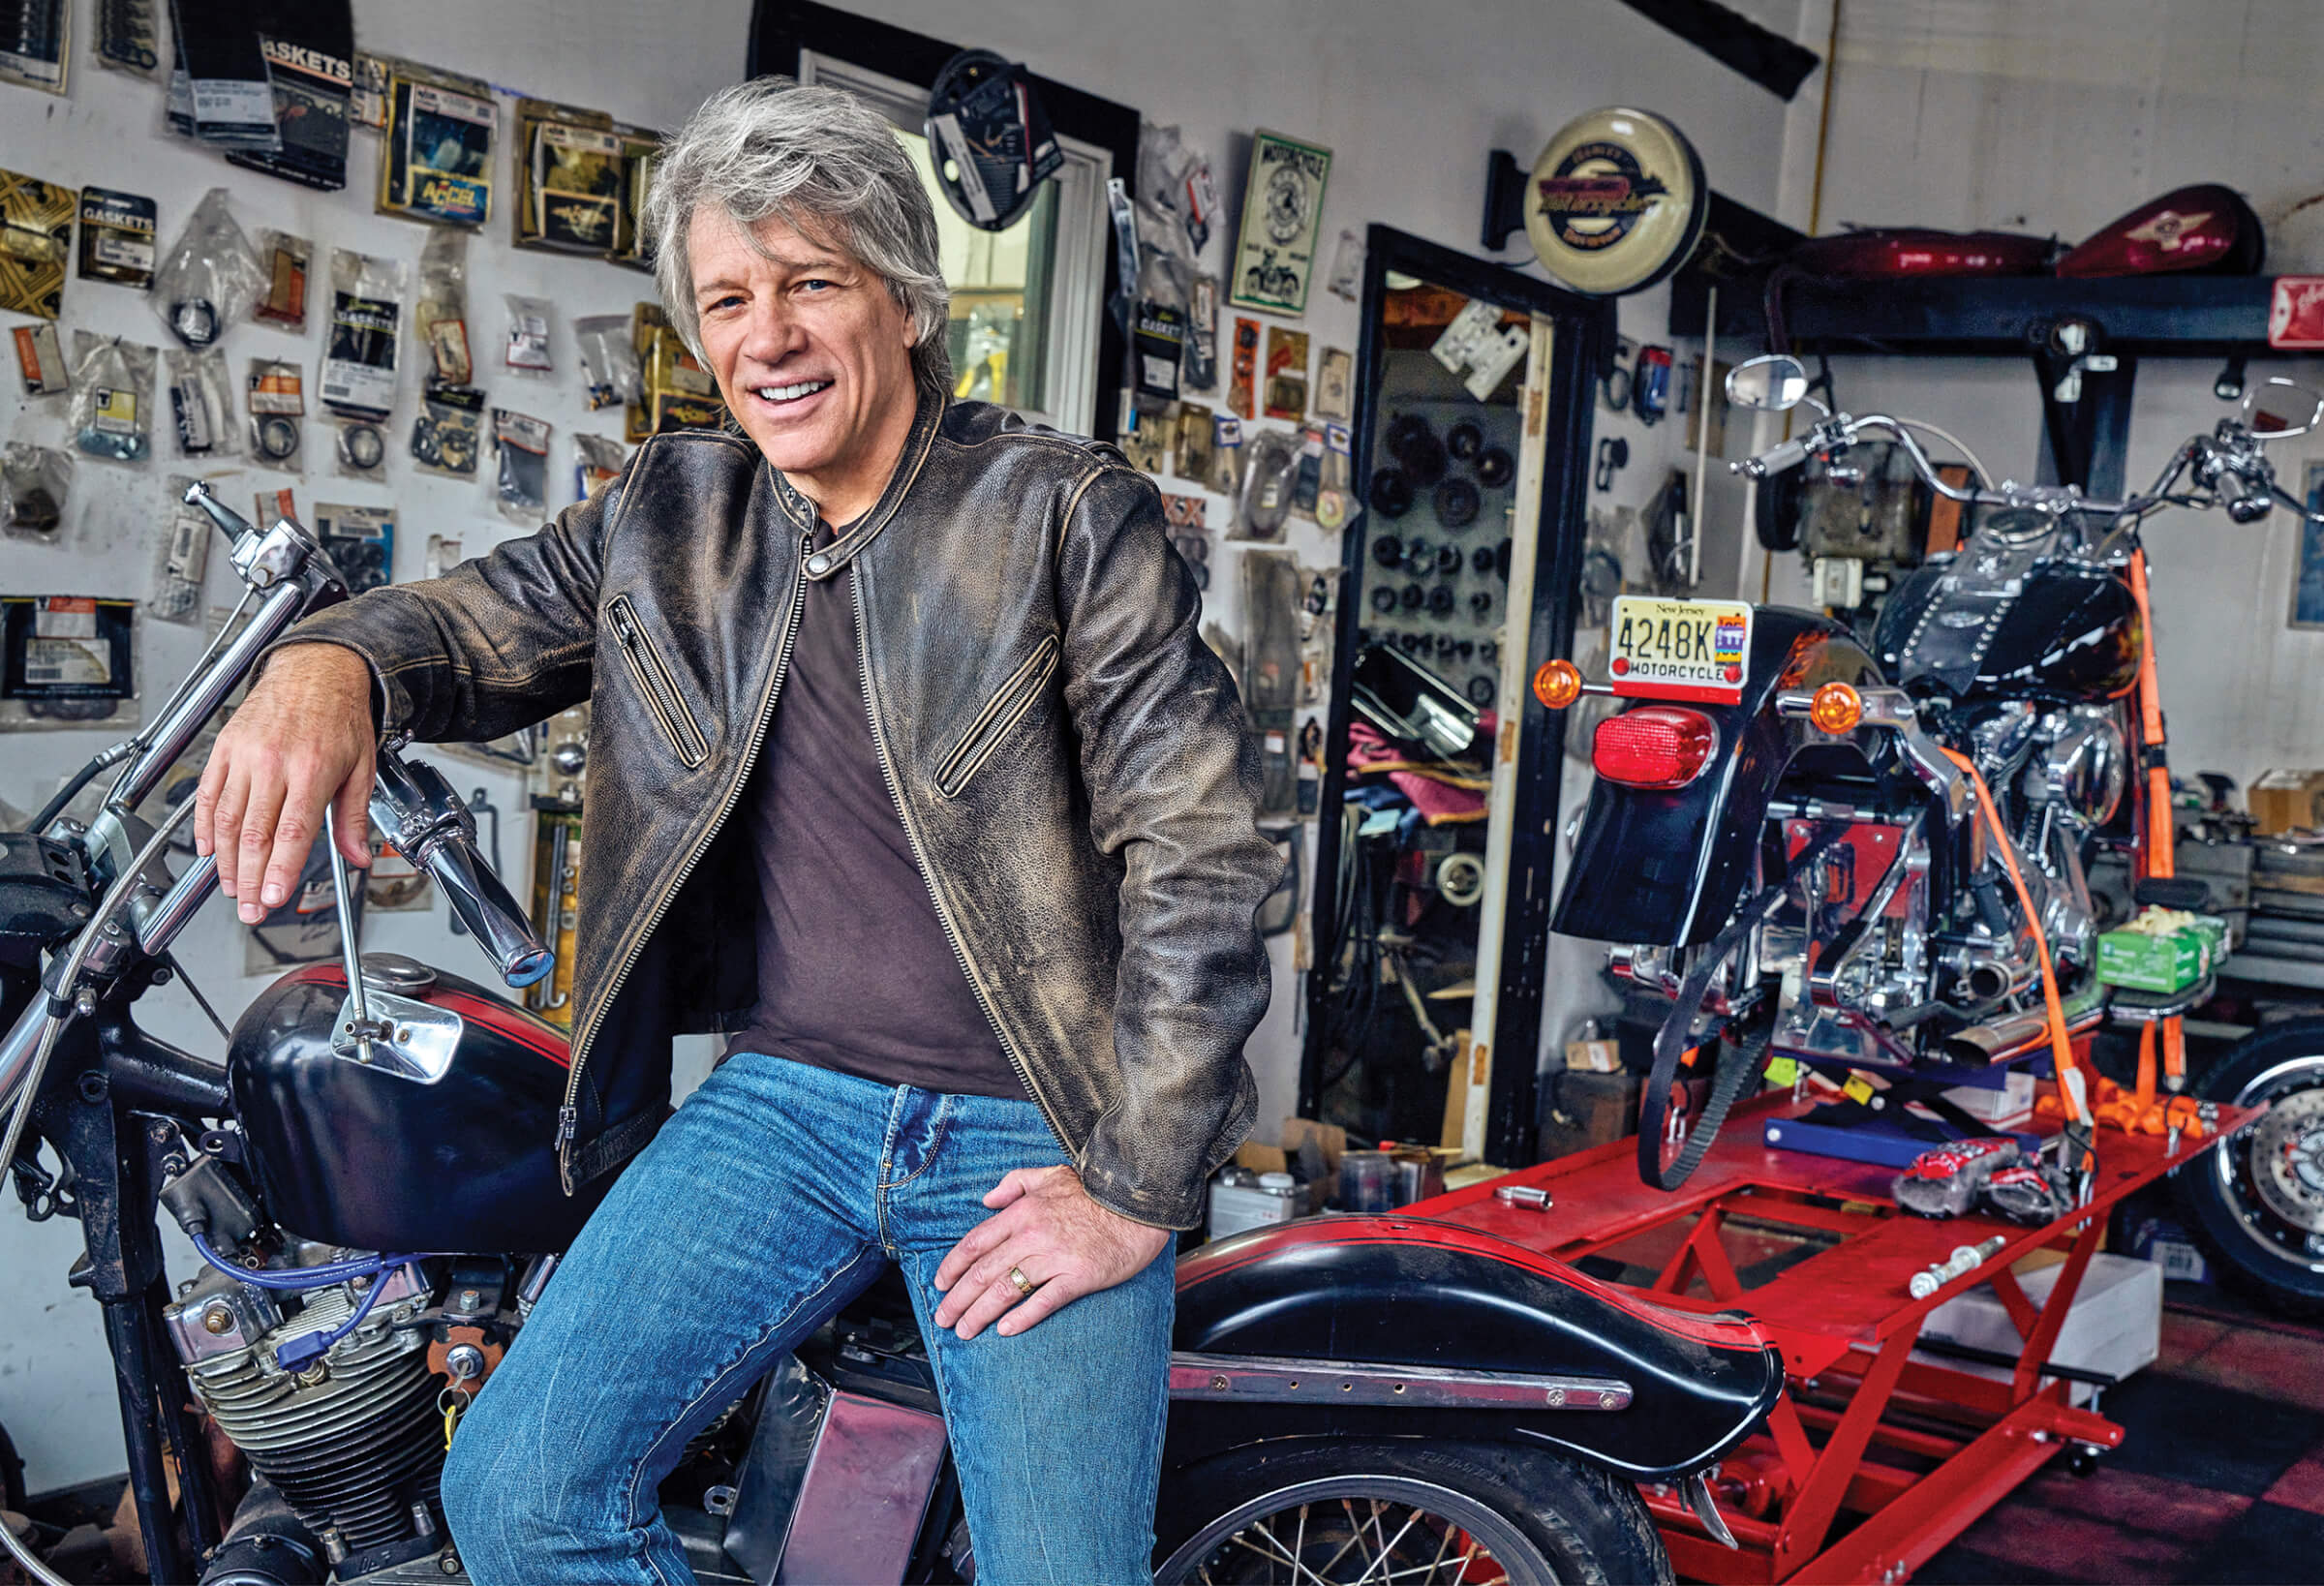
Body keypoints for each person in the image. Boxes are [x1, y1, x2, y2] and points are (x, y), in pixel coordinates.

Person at [194, 76, 1277, 1586]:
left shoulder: (1058, 510)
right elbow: (468, 621)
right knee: (517, 1486)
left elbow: (1206, 842)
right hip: (785, 1107)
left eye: (810, 283)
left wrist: (1134, 1181)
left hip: (1038, 1119)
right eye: (727, 298)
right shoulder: (671, 513)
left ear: (901, 300)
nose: (765, 336)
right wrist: (329, 663)